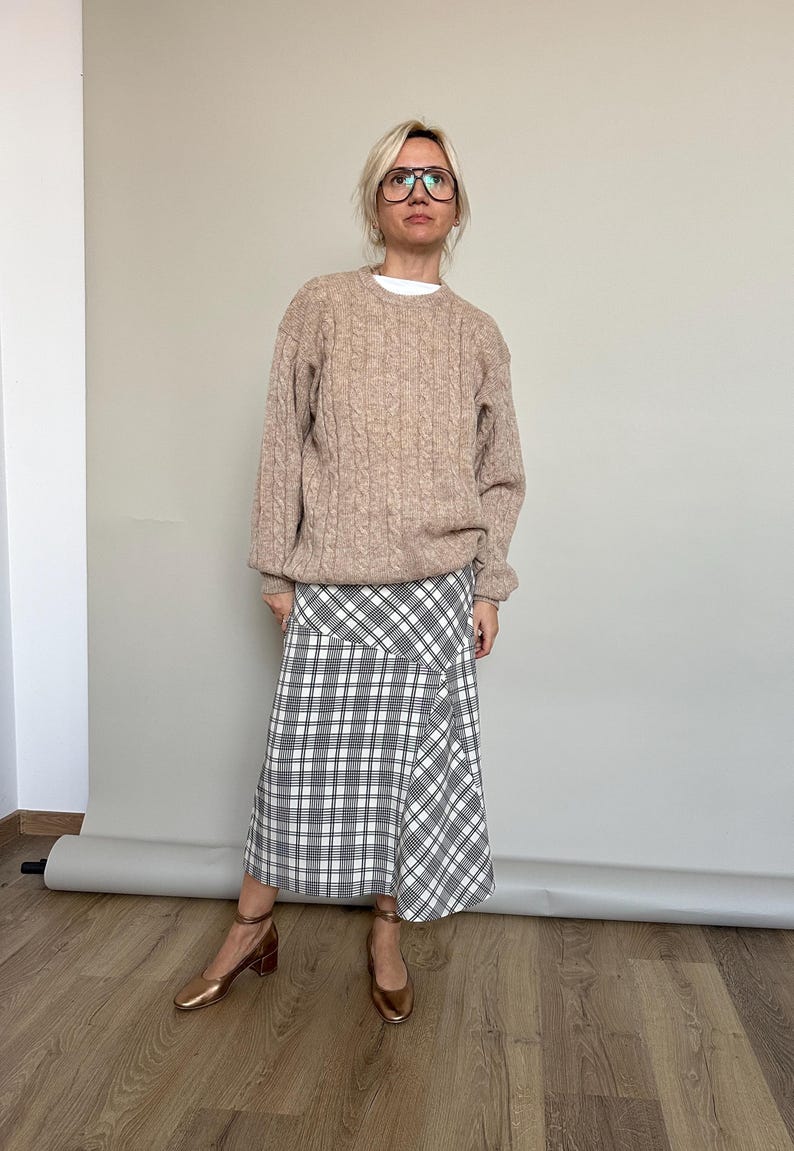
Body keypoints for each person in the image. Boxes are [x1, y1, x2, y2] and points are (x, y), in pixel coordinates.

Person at [174, 119, 526, 1024]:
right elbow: (283, 440)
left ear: (458, 205)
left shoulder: (477, 333)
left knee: (412, 775)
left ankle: (386, 933)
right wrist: (276, 568)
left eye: (437, 179)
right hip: (332, 581)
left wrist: (489, 584)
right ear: (375, 201)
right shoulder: (322, 304)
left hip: (438, 586)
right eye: (400, 178)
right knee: (297, 768)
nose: (419, 193)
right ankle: (253, 923)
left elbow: (500, 472)